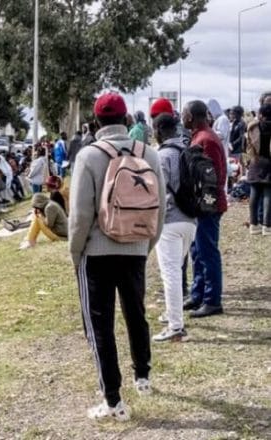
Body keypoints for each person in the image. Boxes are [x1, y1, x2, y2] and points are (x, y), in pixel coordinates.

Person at [69, 93, 165, 421]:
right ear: (126, 119)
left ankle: (112, 400)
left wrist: (75, 252)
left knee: (100, 325)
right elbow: (161, 208)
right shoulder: (149, 153)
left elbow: (80, 214)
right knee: (136, 313)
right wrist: (146, 244)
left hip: (97, 251)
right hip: (136, 246)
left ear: (96, 123)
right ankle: (143, 377)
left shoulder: (89, 156)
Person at [149, 113, 197, 343]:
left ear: (158, 131)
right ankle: (171, 312)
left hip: (169, 221)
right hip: (191, 220)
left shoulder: (161, 156)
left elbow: (157, 193)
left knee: (170, 274)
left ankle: (176, 327)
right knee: (176, 270)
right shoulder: (187, 151)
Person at [182, 100, 228, 319]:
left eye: (184, 114)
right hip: (201, 206)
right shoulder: (200, 136)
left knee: (208, 252)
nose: (181, 117)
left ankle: (212, 300)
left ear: (191, 117)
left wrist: (204, 207)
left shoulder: (206, 139)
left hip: (207, 206)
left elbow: (213, 178)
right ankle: (198, 294)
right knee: (197, 251)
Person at [246, 104, 271, 236]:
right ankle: (267, 226)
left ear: (261, 114)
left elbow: (248, 145)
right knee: (268, 195)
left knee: (254, 194)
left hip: (256, 161)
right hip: (269, 162)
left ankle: (253, 224)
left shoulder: (253, 127)